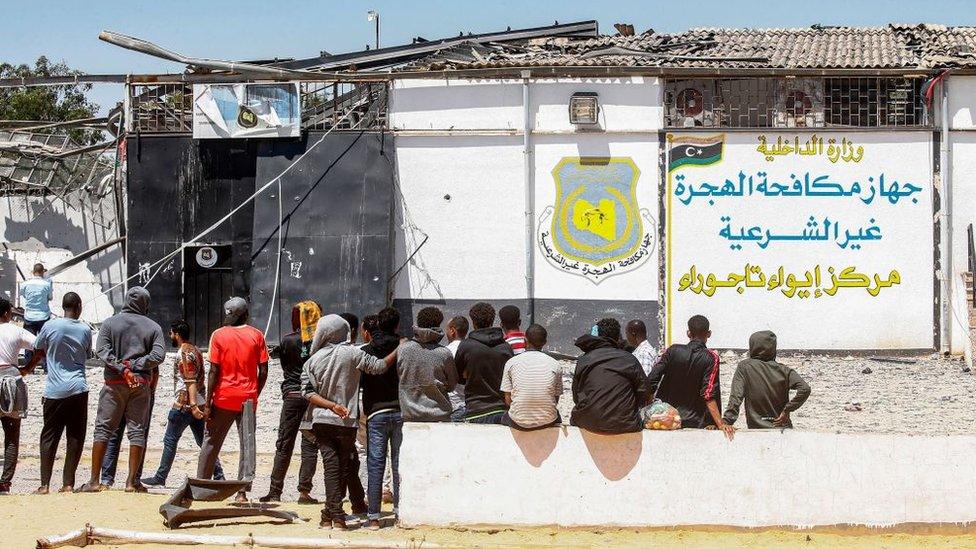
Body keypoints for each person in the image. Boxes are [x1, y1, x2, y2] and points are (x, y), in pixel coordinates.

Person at [300, 314, 399, 530]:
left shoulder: (312, 360)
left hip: (321, 421)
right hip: (346, 423)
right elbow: (380, 367)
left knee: (331, 467)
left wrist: (329, 405)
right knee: (342, 466)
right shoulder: (354, 353)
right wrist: (399, 350)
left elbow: (307, 392)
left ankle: (330, 515)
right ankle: (336, 515)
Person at [81, 286, 165, 493]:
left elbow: (101, 350)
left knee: (103, 429)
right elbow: (158, 356)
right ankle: (131, 482)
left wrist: (122, 367)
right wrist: (135, 366)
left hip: (113, 384)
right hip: (140, 384)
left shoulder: (110, 323)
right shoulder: (153, 327)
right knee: (137, 432)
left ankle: (94, 481)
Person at [197, 297, 269, 503]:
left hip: (223, 397)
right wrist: (255, 392)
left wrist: (208, 402)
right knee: (247, 445)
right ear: (246, 314)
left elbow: (213, 371)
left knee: (211, 442)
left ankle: (201, 486)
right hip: (247, 398)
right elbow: (263, 370)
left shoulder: (218, 335)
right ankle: (242, 493)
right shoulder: (257, 335)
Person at [141, 319, 224, 488]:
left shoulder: (184, 354)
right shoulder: (196, 351)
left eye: (171, 333)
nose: (170, 336)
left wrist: (192, 405)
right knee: (203, 442)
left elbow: (190, 380)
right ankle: (219, 474)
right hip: (197, 402)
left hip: (185, 403)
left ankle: (160, 477)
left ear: (177, 335)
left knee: (170, 440)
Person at [260, 301, 322, 503]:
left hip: (292, 396)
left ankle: (275, 490)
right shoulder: (320, 343)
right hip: (313, 398)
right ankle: (304, 491)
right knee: (310, 444)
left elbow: (285, 366)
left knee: (284, 445)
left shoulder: (287, 341)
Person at [32, 293, 92, 494]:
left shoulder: (49, 326)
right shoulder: (85, 329)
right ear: (78, 306)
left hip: (54, 390)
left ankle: (44, 484)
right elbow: (87, 353)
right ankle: (68, 484)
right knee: (75, 436)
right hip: (78, 387)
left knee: (49, 436)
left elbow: (38, 348)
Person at [649, 315, 733, 440]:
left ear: (689, 333)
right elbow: (708, 393)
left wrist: (651, 409)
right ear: (709, 334)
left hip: (666, 420)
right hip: (696, 423)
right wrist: (720, 423)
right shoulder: (711, 358)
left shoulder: (672, 351)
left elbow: (651, 380)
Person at [570, 318, 649, 434]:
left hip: (588, 422)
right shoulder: (629, 359)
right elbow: (644, 392)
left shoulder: (584, 360)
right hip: (626, 424)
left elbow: (576, 395)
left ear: (598, 336)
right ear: (618, 338)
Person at [360, 308, 401, 527]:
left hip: (375, 412)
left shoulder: (366, 351)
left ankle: (374, 517)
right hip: (399, 409)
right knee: (397, 462)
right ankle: (398, 512)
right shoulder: (404, 348)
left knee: (375, 463)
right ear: (397, 325)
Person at [723, 330, 811, 430]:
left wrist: (727, 421)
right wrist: (787, 410)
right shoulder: (785, 370)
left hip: (757, 432)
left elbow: (736, 396)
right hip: (783, 431)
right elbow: (805, 389)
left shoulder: (745, 367)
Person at [0, 298, 44, 493]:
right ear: (6, 314)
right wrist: (28, 368)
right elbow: (40, 347)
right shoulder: (16, 330)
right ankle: (5, 481)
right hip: (11, 379)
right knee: (11, 435)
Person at [455, 302, 512, 424]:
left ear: (473, 322)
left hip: (475, 410)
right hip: (501, 410)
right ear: (492, 321)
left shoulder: (466, 346)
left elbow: (458, 377)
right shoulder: (506, 347)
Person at [500, 324, 562, 430]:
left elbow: (508, 399)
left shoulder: (511, 363)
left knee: (503, 417)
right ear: (544, 343)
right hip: (548, 420)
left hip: (518, 421)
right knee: (557, 417)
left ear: (525, 340)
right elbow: (555, 399)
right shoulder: (555, 364)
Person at [20, 263, 53, 368]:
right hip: (43, 316)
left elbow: (24, 295)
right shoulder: (47, 284)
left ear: (33, 272)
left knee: (28, 341)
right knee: (44, 342)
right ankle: (46, 366)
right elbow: (50, 298)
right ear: (43, 271)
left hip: (29, 316)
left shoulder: (25, 284)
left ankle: (29, 366)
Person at [445, 316, 468, 422]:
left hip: (453, 405)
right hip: (469, 405)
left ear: (452, 330)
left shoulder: (446, 352)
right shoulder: (471, 349)